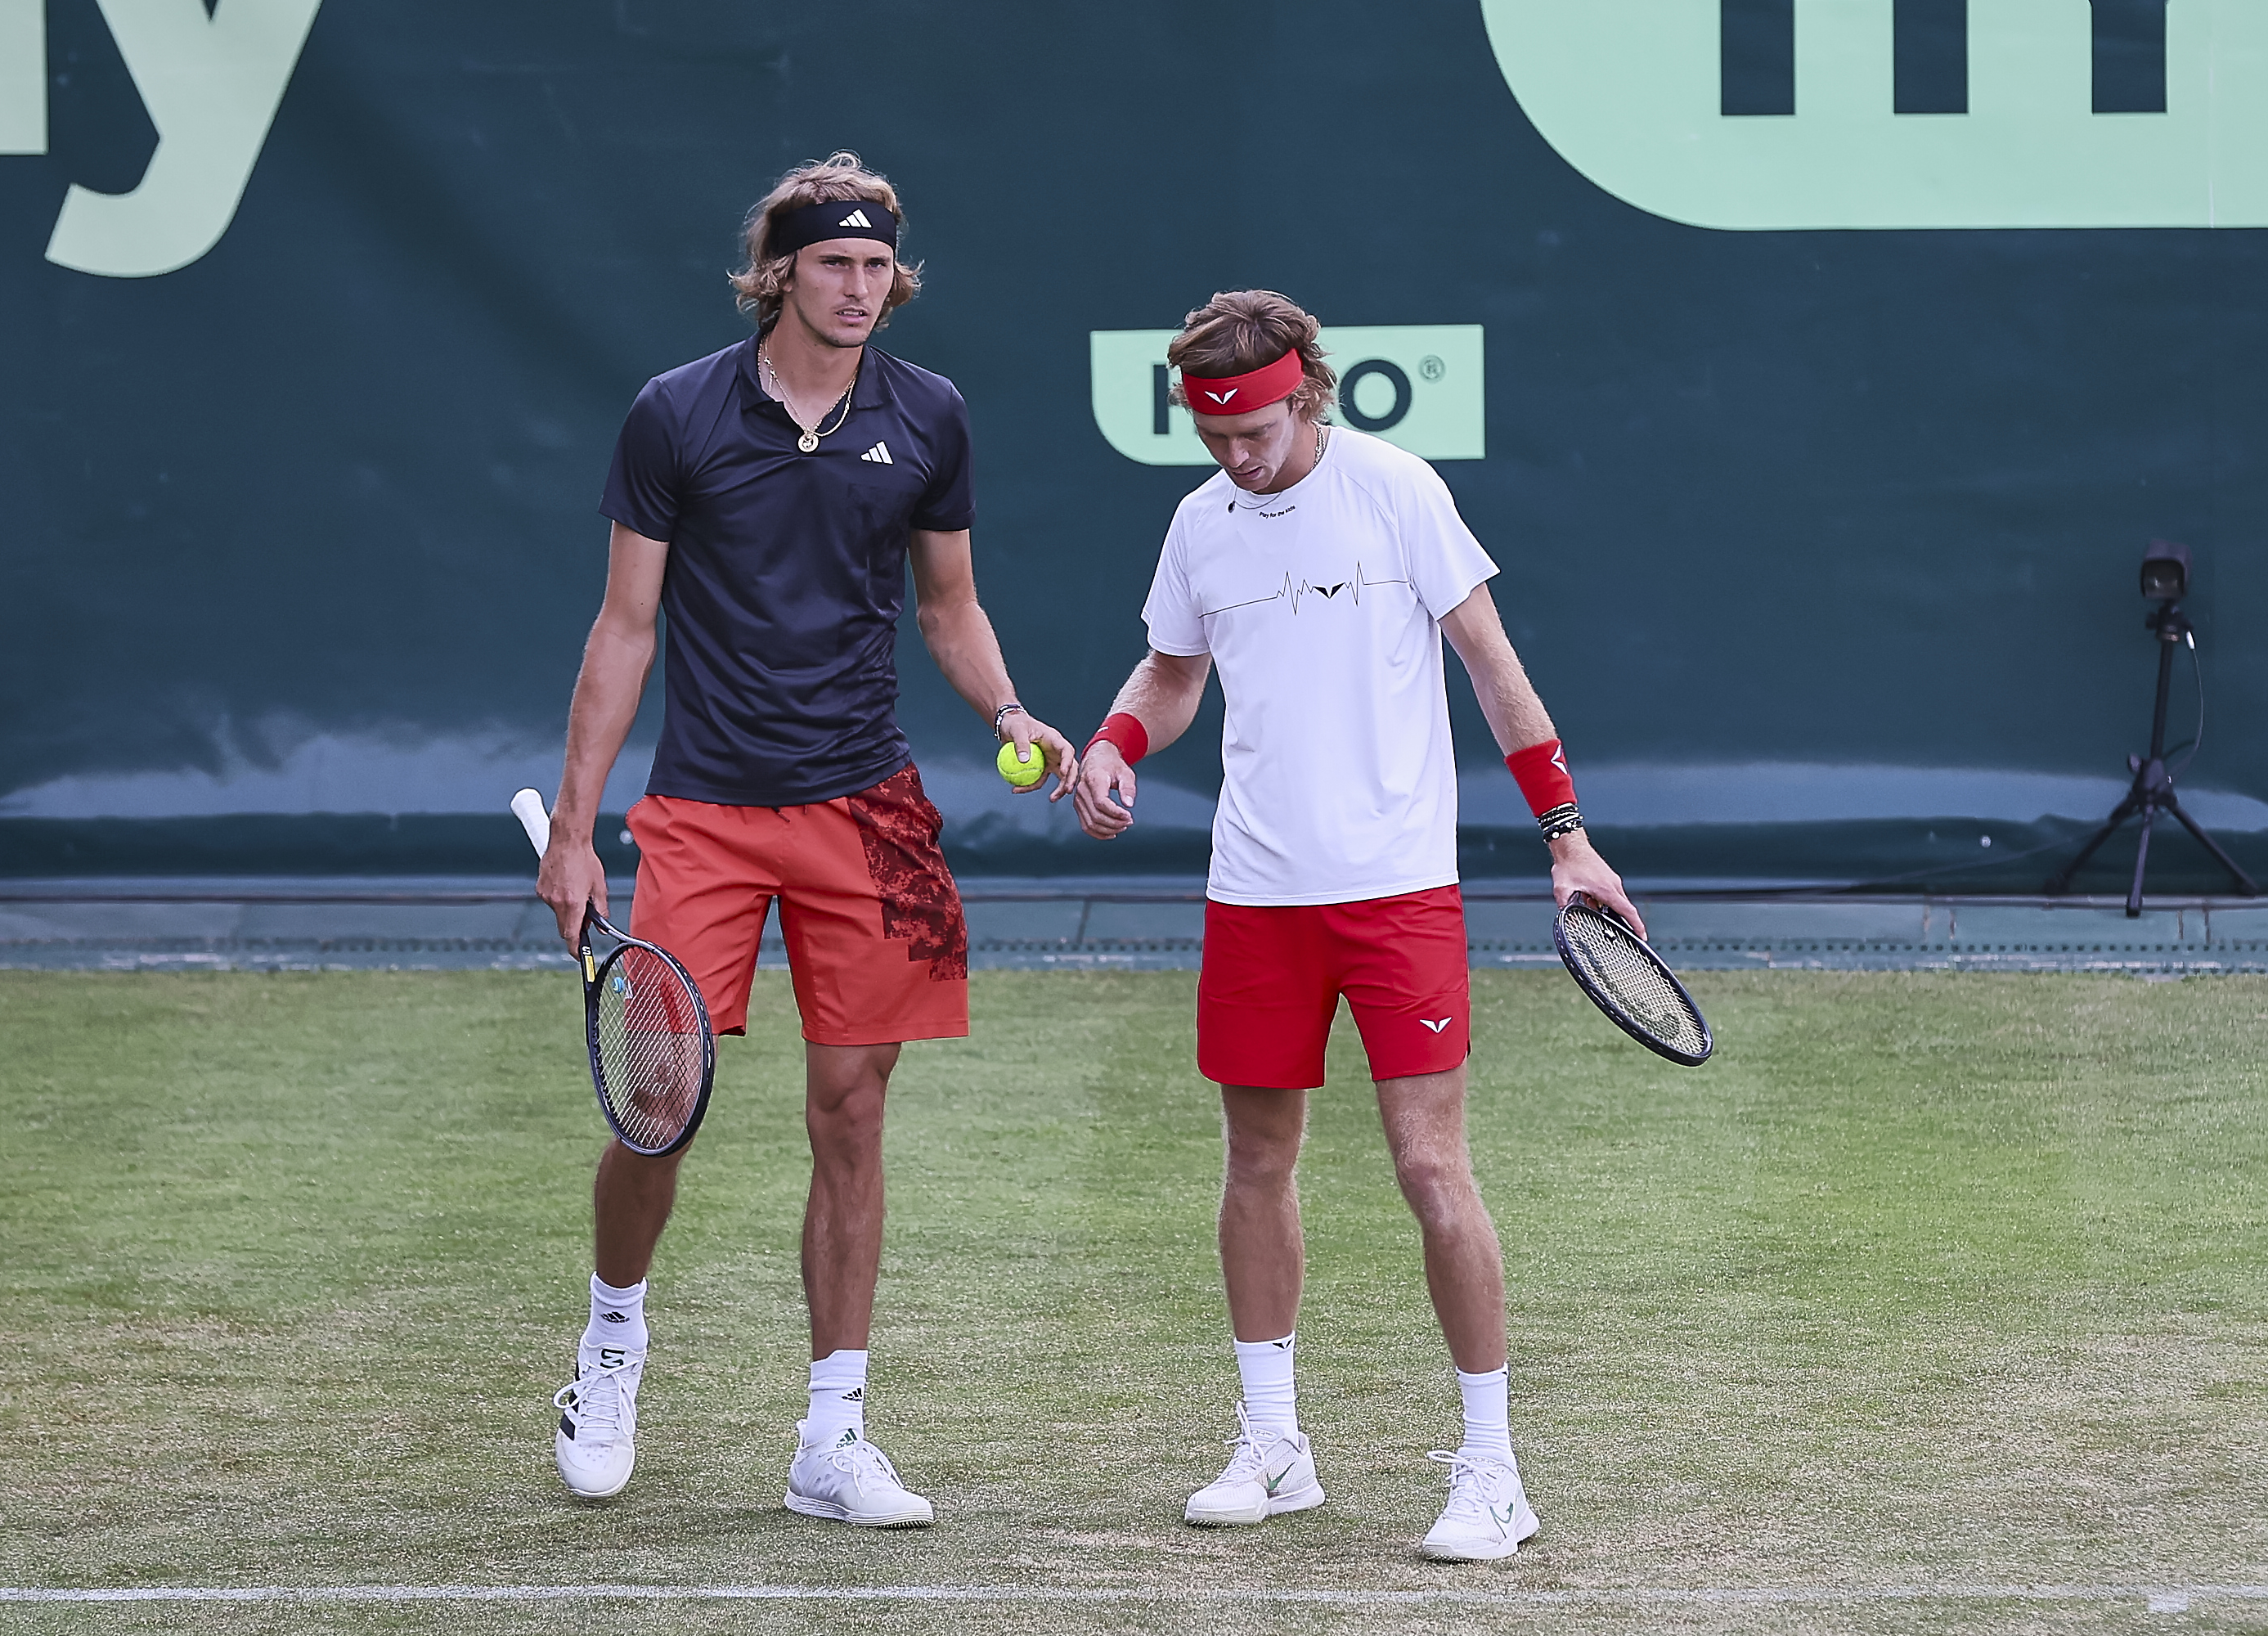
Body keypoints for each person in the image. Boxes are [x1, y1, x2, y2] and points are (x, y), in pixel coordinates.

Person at [536, 152, 1075, 1527]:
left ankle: (833, 1436)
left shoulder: (930, 414)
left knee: (854, 1109)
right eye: (833, 262)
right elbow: (625, 629)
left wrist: (1010, 708)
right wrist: (577, 832)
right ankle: (610, 1349)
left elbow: (948, 605)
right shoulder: (675, 413)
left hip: (869, 812)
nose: (859, 286)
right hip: (705, 811)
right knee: (658, 1103)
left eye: (877, 265)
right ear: (778, 272)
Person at [1065, 290, 1641, 1562]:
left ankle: (1493, 1470)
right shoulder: (1199, 525)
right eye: (1215, 435)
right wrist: (1114, 741)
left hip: (1397, 892)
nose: (1237, 456)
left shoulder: (1396, 491)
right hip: (1255, 895)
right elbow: (1173, 674)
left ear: (1306, 396)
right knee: (1255, 1162)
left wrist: (1566, 834)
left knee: (1431, 1169)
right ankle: (1275, 1446)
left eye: (1256, 431)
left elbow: (1491, 663)